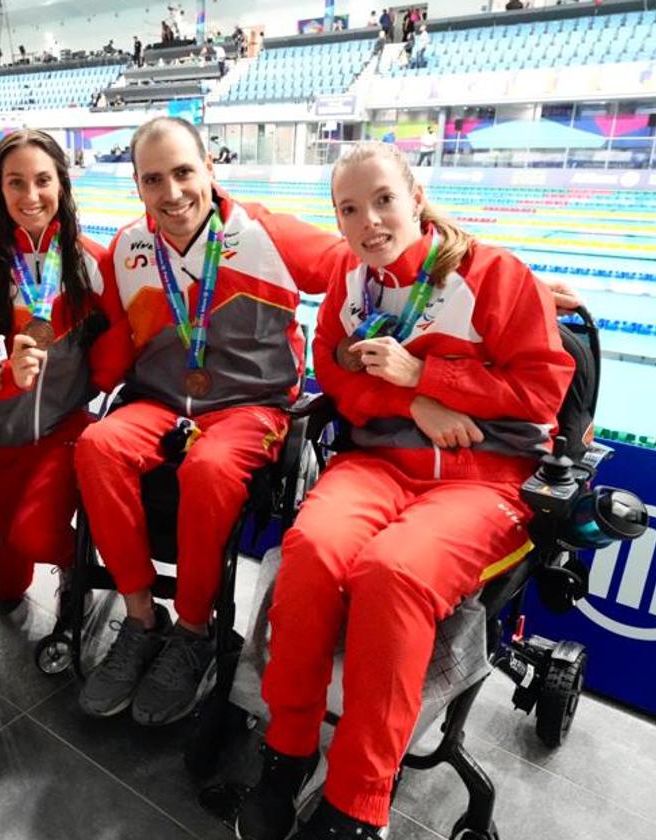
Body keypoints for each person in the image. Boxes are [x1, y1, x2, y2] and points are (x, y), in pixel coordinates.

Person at [235, 141, 573, 839]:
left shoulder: (495, 274)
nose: (370, 223)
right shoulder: (351, 288)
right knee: (311, 551)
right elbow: (339, 378)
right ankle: (288, 750)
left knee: (394, 572)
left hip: (482, 479)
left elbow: (544, 391)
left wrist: (429, 378)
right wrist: (409, 404)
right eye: (349, 210)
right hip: (379, 464)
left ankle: (357, 800)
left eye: (383, 200)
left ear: (415, 196)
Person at [73, 117, 345, 726]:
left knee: (212, 467)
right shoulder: (127, 249)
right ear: (138, 188)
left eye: (182, 172)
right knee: (96, 445)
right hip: (159, 403)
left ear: (209, 170)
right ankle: (142, 620)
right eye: (153, 179)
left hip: (250, 409)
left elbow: (373, 256)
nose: (171, 192)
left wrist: (508, 285)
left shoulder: (266, 233)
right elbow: (114, 347)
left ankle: (194, 629)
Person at [0, 130, 133, 609]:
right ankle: (64, 550)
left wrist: (87, 388)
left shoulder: (91, 263)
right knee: (6, 589)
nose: (30, 196)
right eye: (15, 183)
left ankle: (80, 561)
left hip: (61, 432)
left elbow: (115, 350)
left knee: (34, 535)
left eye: (42, 180)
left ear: (62, 185)